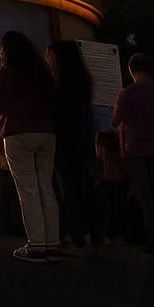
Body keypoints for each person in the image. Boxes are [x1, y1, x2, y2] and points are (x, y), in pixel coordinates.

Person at [0, 29, 59, 262]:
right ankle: (52, 242)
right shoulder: (42, 74)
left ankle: (36, 244)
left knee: (27, 190)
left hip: (18, 133)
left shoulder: (4, 74)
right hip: (46, 132)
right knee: (46, 187)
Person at [112, 53, 154, 252]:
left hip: (135, 149)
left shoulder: (127, 94)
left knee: (145, 194)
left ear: (131, 70)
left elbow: (116, 121)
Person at [47, 40, 100, 251]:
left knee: (69, 188)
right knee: (83, 185)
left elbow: (57, 113)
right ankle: (93, 230)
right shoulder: (83, 82)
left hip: (64, 142)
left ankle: (76, 233)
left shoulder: (59, 85)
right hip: (82, 140)